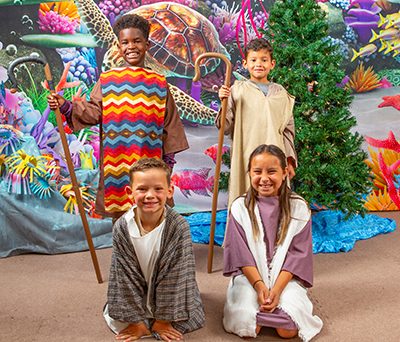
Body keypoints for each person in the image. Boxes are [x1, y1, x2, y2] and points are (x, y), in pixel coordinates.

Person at [47, 14, 188, 219]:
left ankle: (152, 252)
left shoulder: (159, 83)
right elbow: (93, 111)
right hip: (117, 161)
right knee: (121, 218)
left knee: (151, 217)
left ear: (147, 44)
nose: (131, 47)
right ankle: (123, 251)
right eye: (125, 42)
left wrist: (168, 162)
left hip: (150, 162)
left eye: (137, 41)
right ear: (119, 46)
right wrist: (66, 106)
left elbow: (170, 125)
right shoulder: (108, 80)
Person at [222, 144, 323, 341]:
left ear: (285, 172)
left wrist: (275, 291)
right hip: (251, 277)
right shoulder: (239, 208)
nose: (264, 178)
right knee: (247, 325)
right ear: (249, 173)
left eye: (272, 171)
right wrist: (260, 287)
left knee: (289, 330)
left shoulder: (298, 208)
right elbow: (241, 255)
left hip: (284, 279)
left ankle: (279, 305)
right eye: (257, 171)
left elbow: (297, 255)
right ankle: (249, 304)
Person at [103, 157, 205, 341]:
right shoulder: (122, 226)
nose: (150, 195)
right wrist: (135, 321)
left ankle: (163, 318)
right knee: (124, 319)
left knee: (182, 319)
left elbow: (177, 274)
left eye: (158, 189)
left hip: (172, 292)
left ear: (170, 191)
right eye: (142, 189)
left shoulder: (178, 226)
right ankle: (137, 320)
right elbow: (123, 275)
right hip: (136, 290)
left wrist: (164, 320)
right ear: (129, 192)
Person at [217, 38, 296, 207]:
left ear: (272, 64)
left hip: (276, 156)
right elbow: (226, 126)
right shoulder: (237, 90)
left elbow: (288, 131)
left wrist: (289, 161)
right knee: (247, 198)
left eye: (264, 60)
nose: (258, 64)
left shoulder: (281, 93)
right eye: (253, 60)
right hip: (246, 152)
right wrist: (224, 101)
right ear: (245, 63)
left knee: (276, 200)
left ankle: (275, 232)